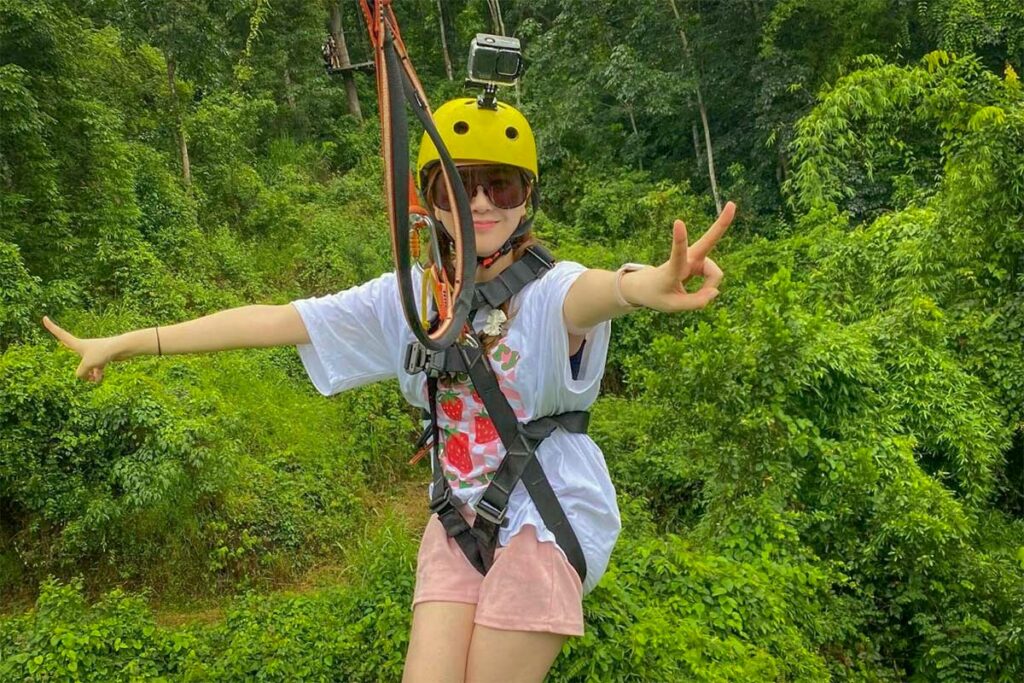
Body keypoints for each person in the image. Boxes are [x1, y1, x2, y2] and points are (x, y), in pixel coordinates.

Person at [42, 97, 734, 682]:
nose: (483, 202)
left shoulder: (550, 293)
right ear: (430, 199)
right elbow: (273, 321)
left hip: (545, 520)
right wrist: (129, 341)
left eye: (503, 184)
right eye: (459, 187)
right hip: (460, 520)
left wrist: (647, 284)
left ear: (528, 198)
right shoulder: (403, 302)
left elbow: (599, 292)